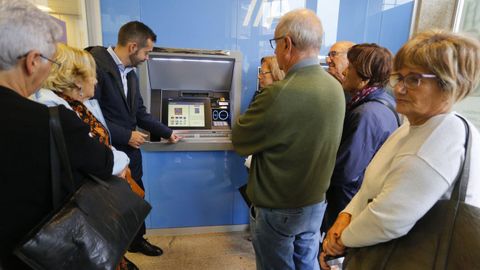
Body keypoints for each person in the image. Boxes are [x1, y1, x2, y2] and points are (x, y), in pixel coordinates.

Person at [320, 30, 480, 269]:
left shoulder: (443, 136)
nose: (399, 89)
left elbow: (388, 220)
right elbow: (369, 189)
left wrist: (339, 241)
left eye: (414, 79)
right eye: (399, 77)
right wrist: (345, 217)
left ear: (448, 84)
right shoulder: (413, 126)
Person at [0, 1, 114, 269]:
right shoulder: (52, 120)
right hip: (34, 255)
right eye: (49, 61)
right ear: (32, 61)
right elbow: (104, 163)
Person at [232, 8, 345, 270]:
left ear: (287, 44)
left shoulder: (277, 94)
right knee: (306, 262)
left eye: (275, 44)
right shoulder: (335, 88)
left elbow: (240, 140)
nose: (275, 53)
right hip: (315, 203)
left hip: (277, 207)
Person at [32, 43, 142, 270]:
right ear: (76, 79)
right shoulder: (54, 108)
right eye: (93, 75)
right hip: (76, 204)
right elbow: (98, 156)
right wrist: (119, 161)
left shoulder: (77, 105)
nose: (97, 81)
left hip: (93, 196)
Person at [87, 21, 180, 257]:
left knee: (136, 197)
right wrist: (126, 135)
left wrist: (167, 132)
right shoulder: (96, 67)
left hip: (130, 154)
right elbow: (89, 115)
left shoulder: (130, 75)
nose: (148, 58)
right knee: (110, 205)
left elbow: (139, 112)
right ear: (132, 47)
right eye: (147, 52)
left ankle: (137, 240)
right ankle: (114, 253)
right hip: (107, 152)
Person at [320, 43, 399, 235]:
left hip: (348, 206)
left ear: (365, 75)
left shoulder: (367, 114)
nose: (345, 70)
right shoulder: (382, 104)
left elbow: (345, 171)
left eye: (351, 67)